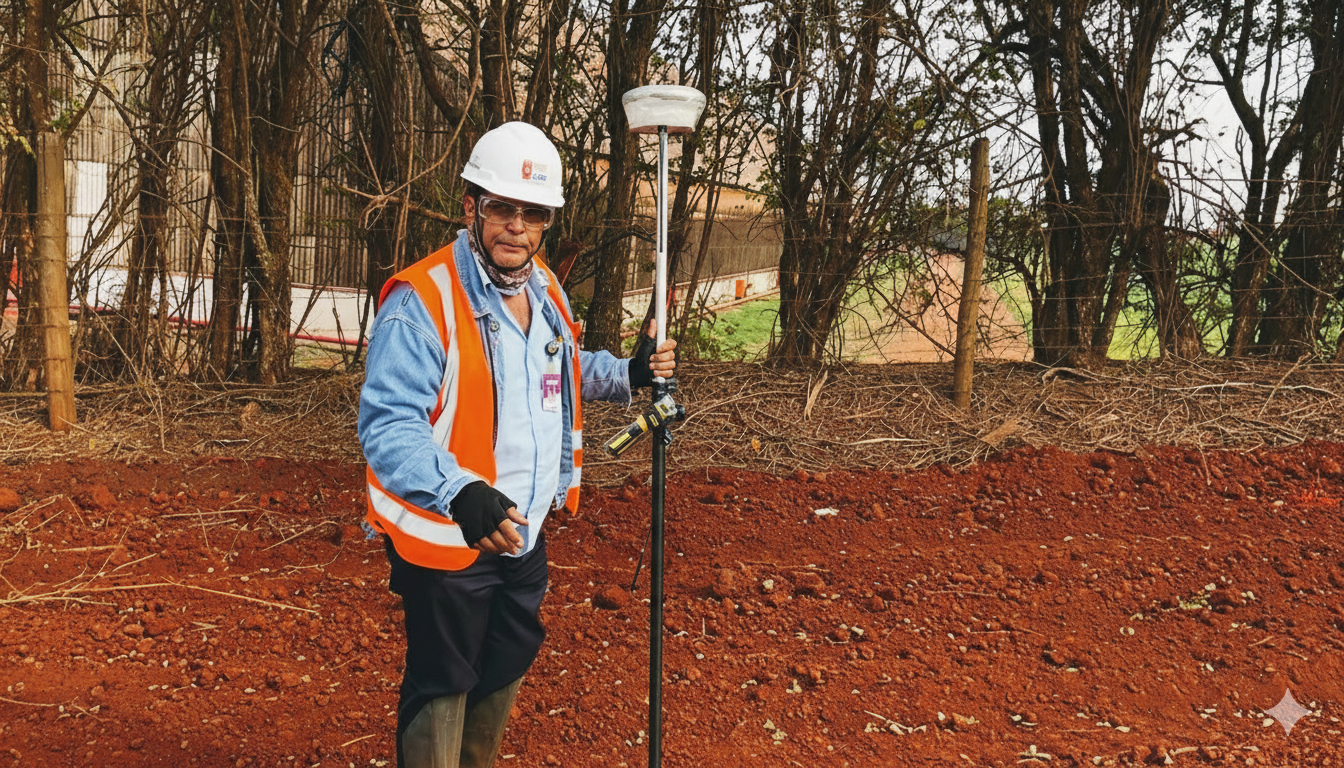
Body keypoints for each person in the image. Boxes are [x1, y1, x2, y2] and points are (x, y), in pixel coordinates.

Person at [358, 121, 677, 768]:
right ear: (471, 206)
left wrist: (631, 373)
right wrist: (459, 491)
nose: (517, 227)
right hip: (450, 536)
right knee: (443, 680)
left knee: (505, 663)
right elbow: (389, 425)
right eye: (503, 208)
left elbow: (563, 368)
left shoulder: (544, 290)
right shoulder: (422, 301)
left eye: (533, 214)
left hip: (524, 529)